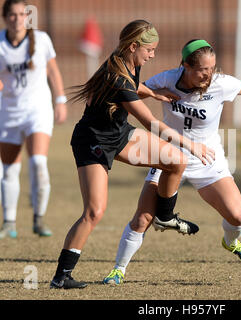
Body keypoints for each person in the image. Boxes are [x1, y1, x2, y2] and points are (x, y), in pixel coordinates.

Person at [102, 39, 241, 285]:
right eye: (203, 69)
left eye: (212, 68)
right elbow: (131, 89)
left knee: (238, 217)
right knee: (143, 218)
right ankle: (118, 270)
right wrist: (154, 92)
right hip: (168, 159)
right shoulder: (168, 79)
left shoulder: (220, 83)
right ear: (185, 66)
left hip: (207, 159)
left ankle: (231, 242)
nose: (209, 74)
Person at [49, 20, 215, 289]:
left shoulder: (128, 63)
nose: (152, 55)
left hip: (119, 133)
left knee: (176, 161)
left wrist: (154, 92)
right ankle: (61, 276)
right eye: (149, 50)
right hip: (93, 141)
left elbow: (133, 87)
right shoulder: (115, 76)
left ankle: (164, 216)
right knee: (94, 212)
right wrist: (192, 144)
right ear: (133, 46)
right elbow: (151, 123)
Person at [0, 0, 68, 239]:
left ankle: (39, 219)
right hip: (8, 111)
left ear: (27, 17)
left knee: (38, 162)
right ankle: (9, 223)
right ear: (5, 17)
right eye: (12, 15)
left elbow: (53, 71)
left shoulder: (41, 40)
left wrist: (60, 100)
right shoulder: (0, 44)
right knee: (9, 169)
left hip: (37, 110)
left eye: (21, 14)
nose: (17, 19)